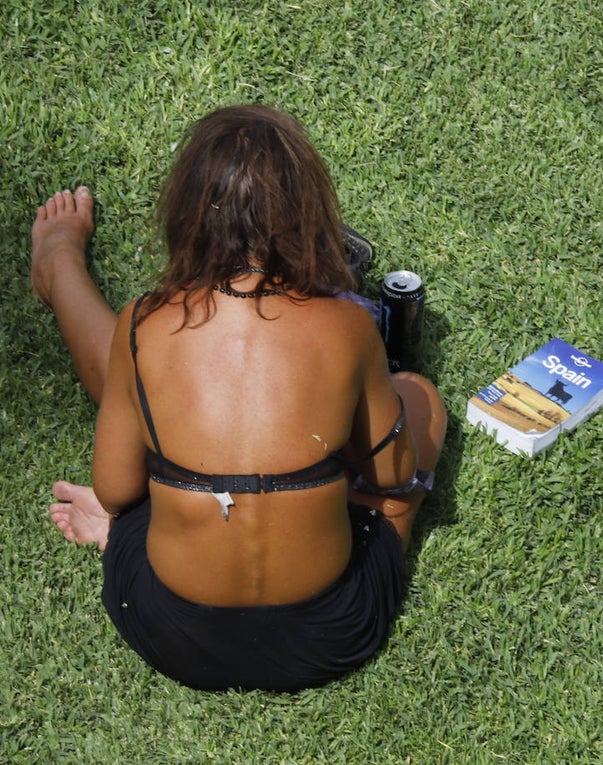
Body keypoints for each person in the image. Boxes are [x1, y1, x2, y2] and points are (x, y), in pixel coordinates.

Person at [30, 104, 447, 693]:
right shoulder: (346, 327)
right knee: (419, 396)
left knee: (153, 419)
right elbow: (392, 471)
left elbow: (117, 489)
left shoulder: (143, 324)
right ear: (309, 214)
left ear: (186, 213)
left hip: (169, 630)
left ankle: (57, 264)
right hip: (332, 632)